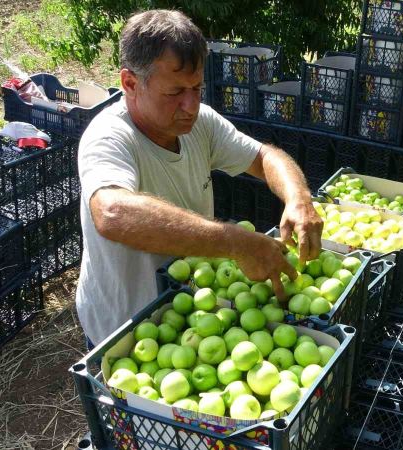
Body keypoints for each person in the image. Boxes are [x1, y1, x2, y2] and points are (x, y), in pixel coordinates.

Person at [77, 9, 323, 347]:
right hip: (126, 328)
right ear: (130, 83)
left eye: (197, 88)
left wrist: (299, 198)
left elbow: (265, 157)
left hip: (193, 314)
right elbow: (112, 213)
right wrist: (236, 242)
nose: (191, 105)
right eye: (175, 92)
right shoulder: (109, 137)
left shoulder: (200, 123)